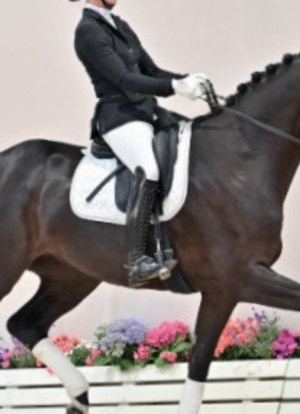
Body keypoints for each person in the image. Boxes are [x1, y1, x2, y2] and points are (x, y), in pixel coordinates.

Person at [72, 0, 209, 287]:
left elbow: (152, 72)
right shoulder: (87, 31)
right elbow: (125, 79)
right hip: (120, 117)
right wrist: (173, 88)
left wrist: (186, 80)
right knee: (149, 169)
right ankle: (137, 259)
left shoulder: (119, 26)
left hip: (147, 112)